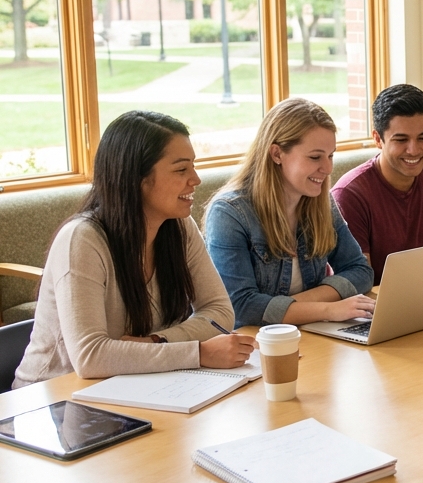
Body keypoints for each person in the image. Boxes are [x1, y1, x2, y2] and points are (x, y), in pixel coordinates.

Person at [15, 110, 252, 389]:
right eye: (181, 170)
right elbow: (90, 357)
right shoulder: (82, 239)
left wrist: (158, 341)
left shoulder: (179, 226)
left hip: (133, 384)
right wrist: (197, 353)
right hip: (53, 394)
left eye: (193, 166)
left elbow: (220, 311)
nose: (195, 179)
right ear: (137, 179)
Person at [204, 98, 374, 327]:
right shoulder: (229, 213)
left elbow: (361, 271)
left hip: (307, 330)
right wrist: (328, 309)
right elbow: (241, 307)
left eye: (331, 155)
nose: (328, 168)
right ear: (276, 154)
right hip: (254, 340)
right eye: (315, 157)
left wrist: (291, 306)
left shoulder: (321, 201)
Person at [332, 84, 423, 286]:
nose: (413, 150)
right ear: (378, 139)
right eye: (401, 140)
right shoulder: (349, 195)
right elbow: (358, 283)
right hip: (374, 301)